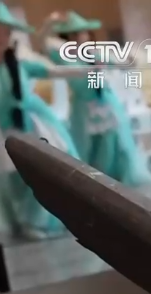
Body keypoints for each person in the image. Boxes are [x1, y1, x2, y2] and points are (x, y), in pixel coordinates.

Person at [0, 3, 102, 239]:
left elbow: (53, 71)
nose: (4, 37)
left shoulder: (19, 63)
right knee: (13, 177)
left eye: (6, 31)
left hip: (32, 122)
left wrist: (87, 71)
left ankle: (41, 219)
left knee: (44, 168)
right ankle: (22, 221)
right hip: (5, 127)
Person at [35, 11, 151, 187]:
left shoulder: (93, 53)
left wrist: (130, 59)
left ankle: (115, 182)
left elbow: (121, 63)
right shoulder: (61, 54)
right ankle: (95, 184)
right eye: (74, 34)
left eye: (82, 33)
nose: (80, 37)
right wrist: (50, 22)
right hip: (83, 106)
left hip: (105, 102)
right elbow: (41, 42)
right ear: (67, 37)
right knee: (88, 147)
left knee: (114, 142)